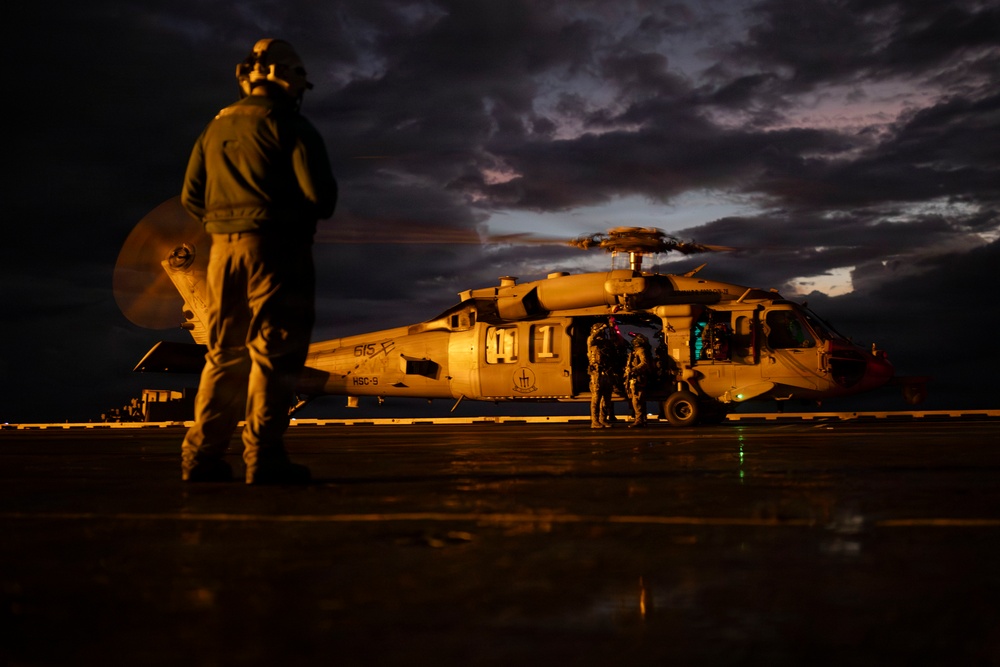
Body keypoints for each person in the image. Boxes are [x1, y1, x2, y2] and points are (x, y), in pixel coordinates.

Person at [180, 38, 338, 484]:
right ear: (283, 75)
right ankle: (263, 458)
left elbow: (193, 197)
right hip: (276, 250)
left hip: (221, 252)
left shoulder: (214, 128)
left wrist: (228, 222)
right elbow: (321, 199)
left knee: (223, 352)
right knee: (275, 352)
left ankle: (201, 458)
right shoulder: (292, 125)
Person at [587, 323, 614, 429]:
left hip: (607, 372)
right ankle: (595, 421)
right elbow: (592, 338)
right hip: (596, 374)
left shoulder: (605, 343)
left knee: (607, 398)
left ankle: (603, 419)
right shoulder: (591, 342)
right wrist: (600, 328)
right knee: (596, 398)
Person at [625, 333, 653, 427]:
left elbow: (644, 363)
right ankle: (642, 419)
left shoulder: (640, 351)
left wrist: (633, 370)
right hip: (638, 377)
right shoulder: (638, 351)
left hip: (638, 378)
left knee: (636, 399)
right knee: (639, 399)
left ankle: (639, 420)